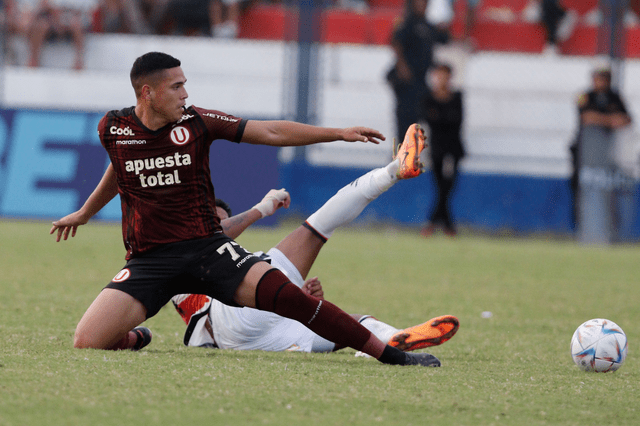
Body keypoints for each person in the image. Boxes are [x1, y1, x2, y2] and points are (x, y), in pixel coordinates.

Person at [49, 51, 440, 367]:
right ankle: (137, 337)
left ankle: (393, 355)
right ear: (147, 93)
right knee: (86, 341)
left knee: (295, 300)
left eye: (185, 84)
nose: (186, 94)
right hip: (149, 260)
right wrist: (85, 212)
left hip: (207, 250)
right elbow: (120, 170)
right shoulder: (113, 128)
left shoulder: (198, 122)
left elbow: (269, 131)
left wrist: (335, 132)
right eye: (177, 86)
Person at [171, 159, 459, 354]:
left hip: (254, 338)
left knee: (346, 325)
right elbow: (209, 236)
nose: (217, 227)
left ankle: (392, 336)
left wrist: (295, 296)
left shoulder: (182, 257)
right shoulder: (177, 246)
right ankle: (392, 170)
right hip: (230, 316)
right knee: (317, 227)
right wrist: (263, 207)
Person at [569, 66, 632, 230]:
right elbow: (587, 118)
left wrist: (600, 119)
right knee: (580, 186)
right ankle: (580, 225)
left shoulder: (615, 96)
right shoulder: (585, 96)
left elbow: (625, 119)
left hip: (608, 152)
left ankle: (611, 226)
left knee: (610, 186)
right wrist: (610, 120)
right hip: (585, 151)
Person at [387, 0, 449, 145]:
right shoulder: (407, 23)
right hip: (408, 82)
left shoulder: (428, 26)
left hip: (422, 80)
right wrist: (402, 67)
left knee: (423, 118)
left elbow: (443, 39)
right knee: (405, 121)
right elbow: (396, 42)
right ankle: (401, 157)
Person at [420, 63, 464, 237]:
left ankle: (432, 223)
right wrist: (443, 118)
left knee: (446, 188)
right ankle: (448, 226)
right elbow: (429, 118)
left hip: (453, 147)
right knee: (441, 188)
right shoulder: (428, 98)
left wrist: (439, 117)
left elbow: (456, 120)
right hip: (437, 148)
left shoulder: (457, 97)